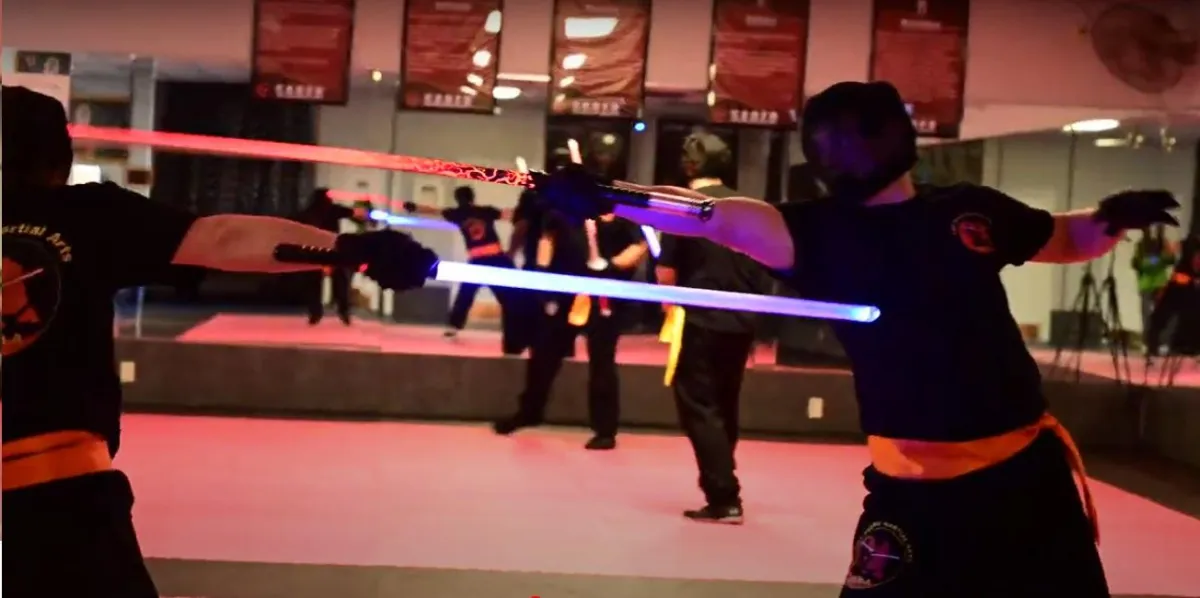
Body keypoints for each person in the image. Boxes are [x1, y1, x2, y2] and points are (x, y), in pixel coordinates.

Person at [537, 81, 1180, 596]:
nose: (847, 150)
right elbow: (713, 217)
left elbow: (1061, 237)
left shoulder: (966, 212)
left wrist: (1108, 220)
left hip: (1022, 479)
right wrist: (609, 197)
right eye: (834, 139)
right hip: (908, 488)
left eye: (856, 134)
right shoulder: (815, 232)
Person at [1, 85, 439, 598]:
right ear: (58, 157)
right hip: (51, 493)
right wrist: (350, 249)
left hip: (54, 494)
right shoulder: (82, 214)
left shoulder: (84, 215)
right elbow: (223, 238)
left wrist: (350, 249)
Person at [656, 131, 774, 524]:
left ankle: (724, 495)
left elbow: (666, 273)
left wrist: (668, 307)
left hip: (702, 317)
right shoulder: (748, 207)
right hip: (742, 319)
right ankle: (723, 480)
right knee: (725, 402)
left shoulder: (685, 207)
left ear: (689, 164)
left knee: (699, 404)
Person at [493, 211, 648, 450]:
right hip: (565, 289)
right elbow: (548, 238)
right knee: (543, 352)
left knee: (602, 361)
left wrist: (611, 265)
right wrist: (542, 273)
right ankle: (530, 411)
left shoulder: (623, 212)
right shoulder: (564, 208)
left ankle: (605, 430)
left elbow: (639, 245)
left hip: (604, 293)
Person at [405, 185, 525, 354]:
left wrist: (415, 207)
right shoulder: (484, 211)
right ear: (472, 197)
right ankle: (518, 331)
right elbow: (507, 214)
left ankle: (453, 327)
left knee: (466, 295)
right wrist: (527, 212)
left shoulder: (457, 214)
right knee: (508, 296)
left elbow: (434, 211)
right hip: (496, 259)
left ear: (457, 199)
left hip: (478, 261)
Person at [298, 187, 360, 325]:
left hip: (315, 250)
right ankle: (343, 311)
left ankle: (315, 313)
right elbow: (352, 212)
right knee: (340, 280)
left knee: (314, 282)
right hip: (333, 248)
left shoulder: (309, 211)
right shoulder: (333, 209)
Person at [1132, 223, 1178, 351]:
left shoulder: (1162, 243)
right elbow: (1142, 264)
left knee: (1164, 315)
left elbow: (1170, 260)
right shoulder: (1141, 245)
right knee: (1146, 316)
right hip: (1146, 285)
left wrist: (1168, 253)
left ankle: (1162, 342)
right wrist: (1159, 260)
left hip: (1160, 284)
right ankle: (1148, 342)